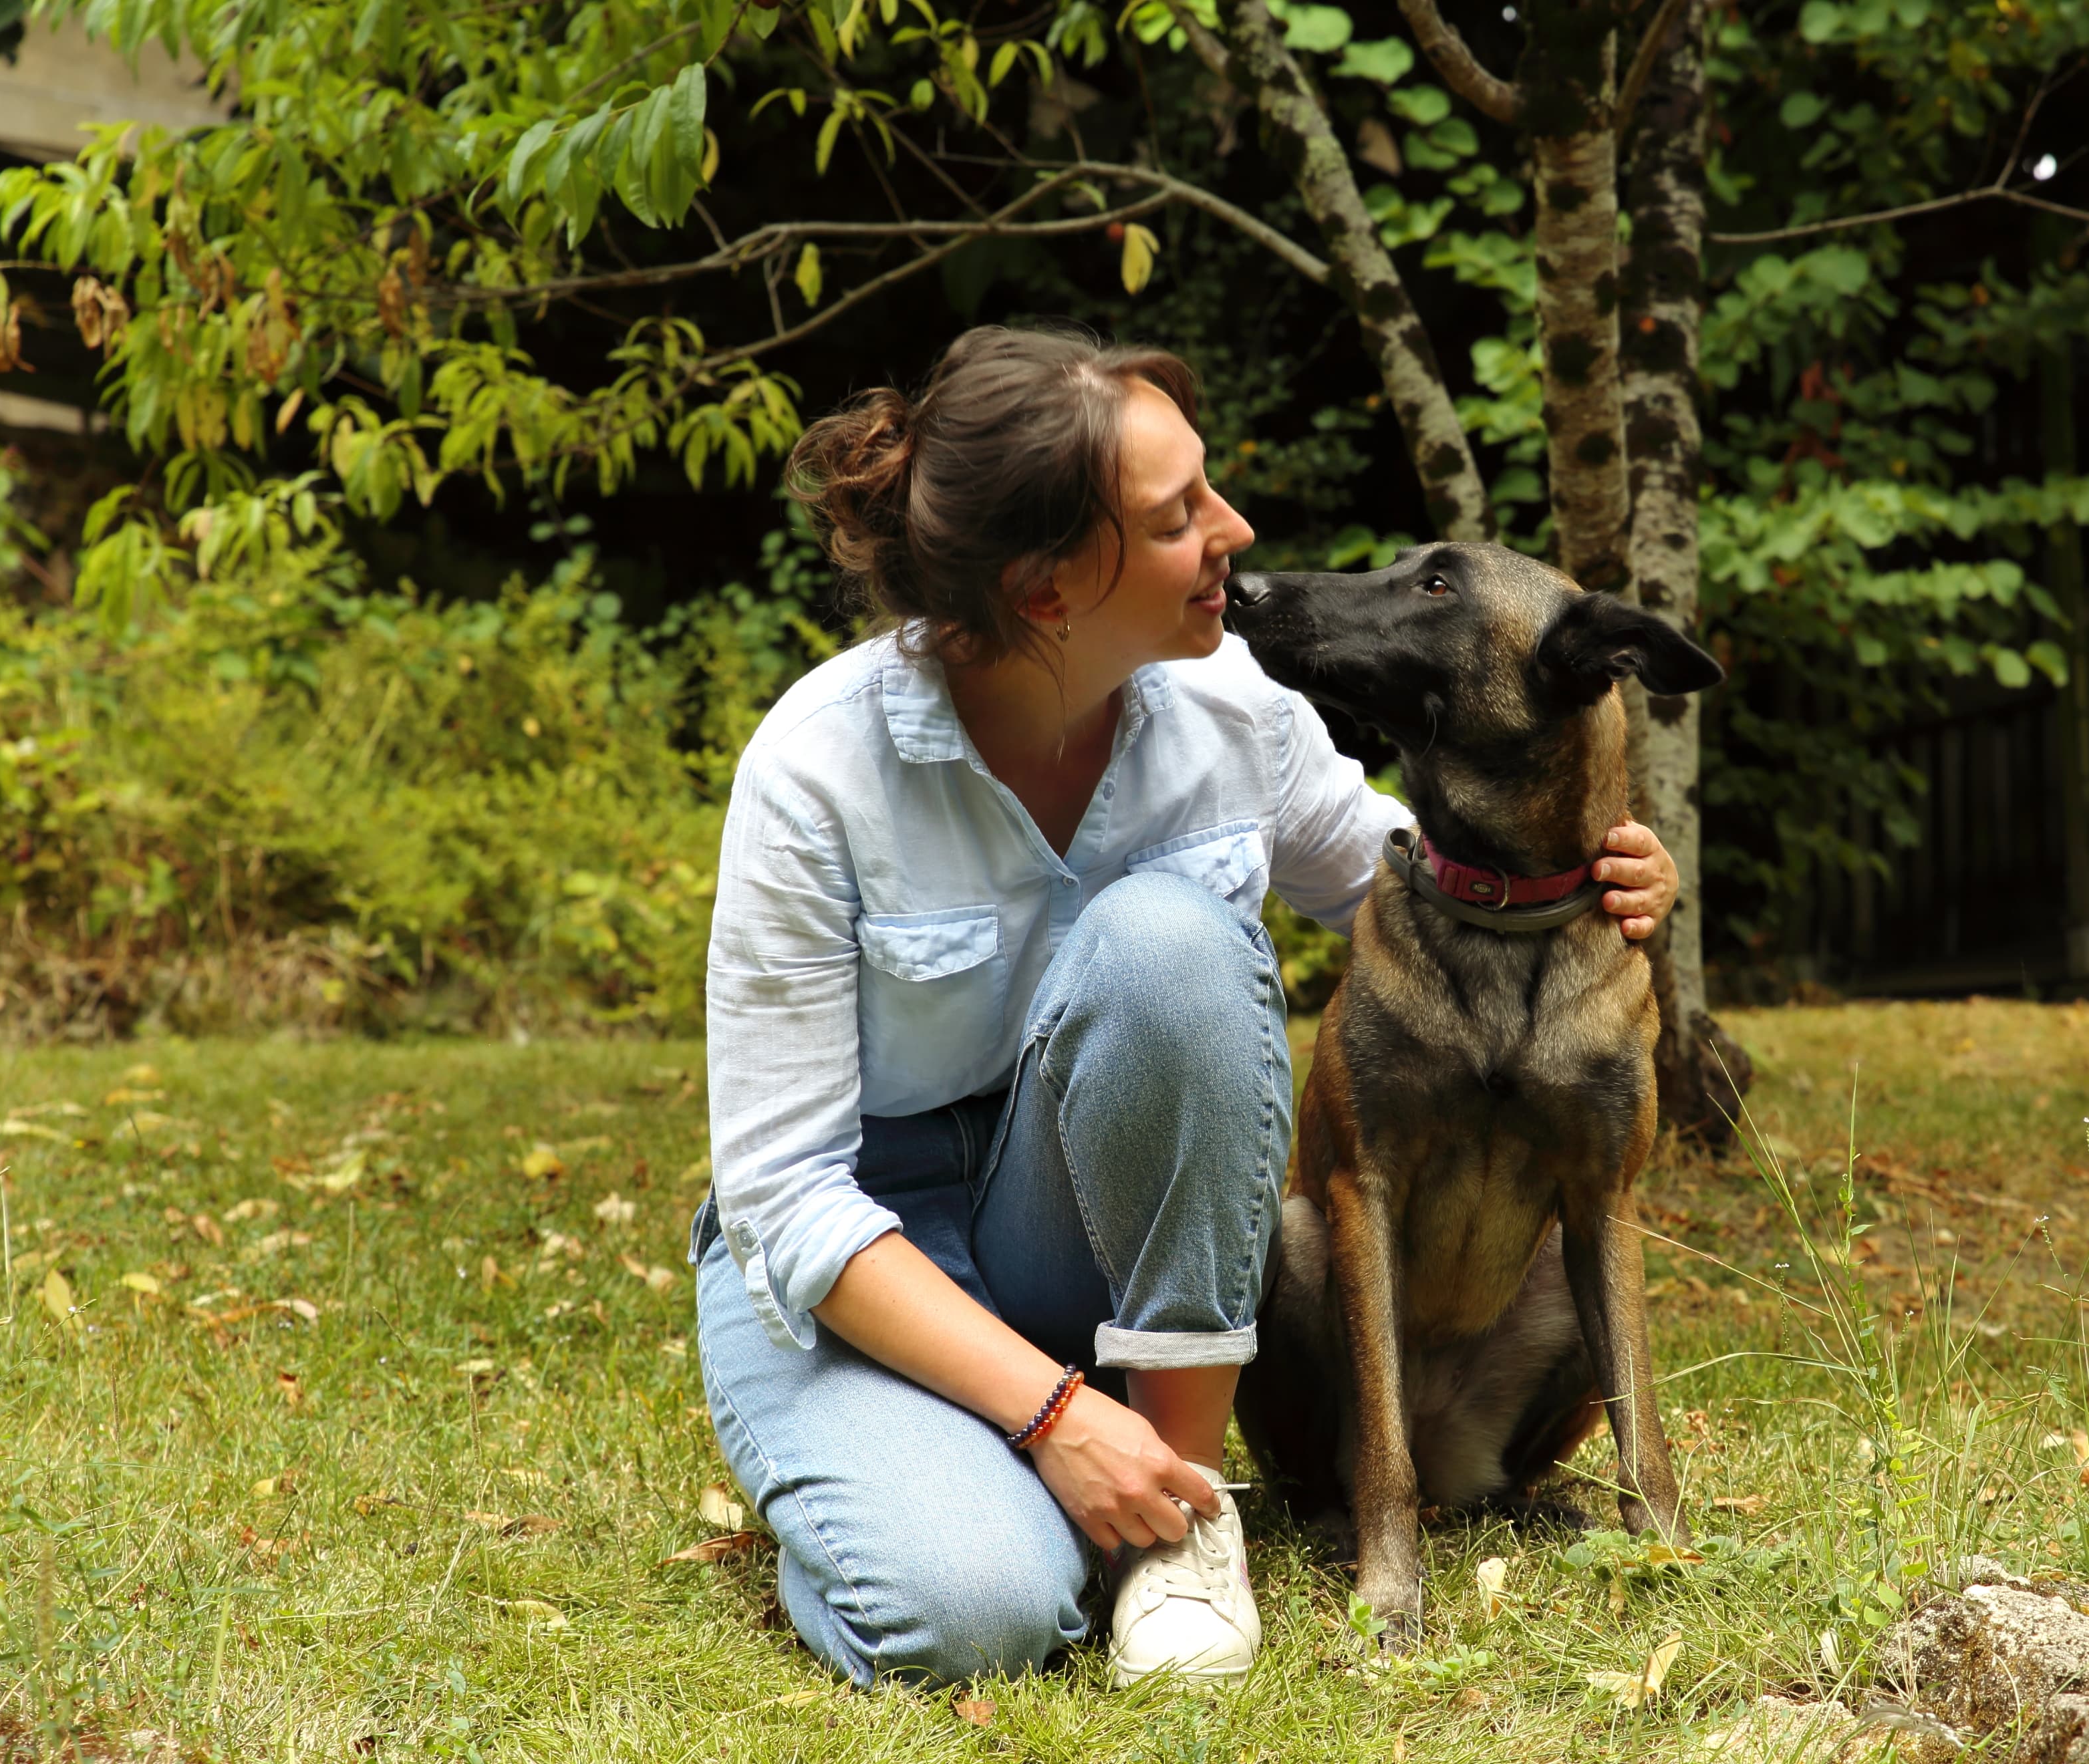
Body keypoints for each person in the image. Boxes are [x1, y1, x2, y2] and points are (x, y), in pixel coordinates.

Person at [690, 325, 1684, 1688]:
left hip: (1087, 1238)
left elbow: (1407, 869)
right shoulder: (820, 770)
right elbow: (788, 1197)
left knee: (1174, 942)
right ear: (1046, 588)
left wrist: (1592, 872)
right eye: (1177, 517)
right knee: (969, 1618)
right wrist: (1054, 1417)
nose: (1236, 528)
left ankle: (1180, 1515)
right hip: (878, 1254)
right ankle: (964, 1470)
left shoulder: (1235, 708)